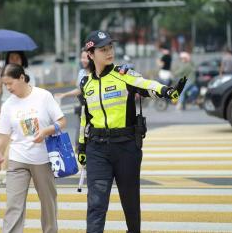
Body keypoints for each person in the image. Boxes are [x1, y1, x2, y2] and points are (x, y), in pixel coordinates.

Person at [78, 30, 186, 233]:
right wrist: (82, 146)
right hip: (97, 149)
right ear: (91, 54)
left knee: (130, 204)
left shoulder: (124, 75)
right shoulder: (86, 83)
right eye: (103, 49)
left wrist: (167, 91)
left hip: (126, 148)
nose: (109, 52)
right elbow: (86, 118)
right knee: (96, 205)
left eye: (110, 47)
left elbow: (146, 85)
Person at [0, 64, 66, 233]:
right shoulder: (9, 104)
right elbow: (1, 137)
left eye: (10, 83)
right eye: (5, 85)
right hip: (18, 160)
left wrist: (46, 131)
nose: (8, 88)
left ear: (22, 78)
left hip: (43, 159)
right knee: (13, 206)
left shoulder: (43, 96)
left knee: (48, 204)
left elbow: (61, 121)